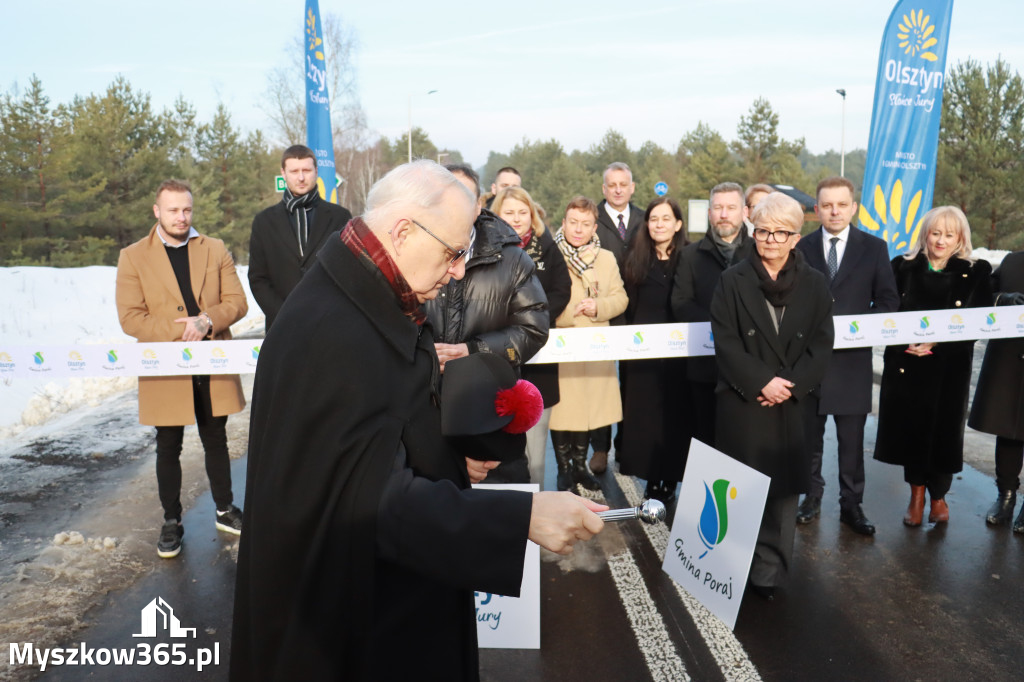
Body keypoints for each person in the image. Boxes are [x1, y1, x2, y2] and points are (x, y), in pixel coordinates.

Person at [231, 161, 605, 681]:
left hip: (387, 604)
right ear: (403, 232)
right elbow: (367, 503)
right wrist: (521, 517)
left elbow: (375, 438)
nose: (458, 271)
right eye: (453, 253)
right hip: (353, 636)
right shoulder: (333, 329)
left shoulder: (371, 298)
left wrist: (446, 458)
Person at [115, 179, 249, 559]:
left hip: (211, 356)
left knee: (216, 437)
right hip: (165, 364)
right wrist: (182, 331)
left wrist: (207, 321)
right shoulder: (133, 256)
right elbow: (130, 318)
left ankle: (225, 509)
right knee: (168, 443)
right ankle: (171, 521)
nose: (181, 217)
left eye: (187, 209)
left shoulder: (215, 248)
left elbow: (237, 302)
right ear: (157, 211)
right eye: (173, 210)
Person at [711, 192, 833, 599]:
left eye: (781, 233)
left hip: (792, 403)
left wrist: (789, 386)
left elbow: (821, 345)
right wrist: (762, 381)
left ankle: (769, 574)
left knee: (782, 495)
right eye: (763, 231)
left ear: (796, 238)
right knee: (738, 491)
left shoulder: (815, 284)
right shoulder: (732, 280)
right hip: (745, 399)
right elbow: (726, 341)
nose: (771, 240)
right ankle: (730, 567)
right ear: (753, 231)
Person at [423, 164, 549, 483]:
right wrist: (424, 353)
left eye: (464, 196)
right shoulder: (414, 254)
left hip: (492, 411)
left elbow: (533, 328)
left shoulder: (513, 259)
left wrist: (473, 351)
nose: (454, 204)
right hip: (424, 408)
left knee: (502, 507)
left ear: (479, 204)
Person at [874, 206, 993, 527]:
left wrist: (937, 342)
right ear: (925, 234)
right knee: (910, 432)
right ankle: (916, 497)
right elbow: (886, 311)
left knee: (944, 434)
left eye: (949, 235)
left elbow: (980, 321)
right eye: (935, 233)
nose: (941, 240)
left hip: (949, 367)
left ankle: (938, 496)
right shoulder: (902, 266)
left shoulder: (976, 271)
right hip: (906, 364)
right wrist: (906, 340)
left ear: (960, 238)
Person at [794, 177, 899, 536]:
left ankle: (851, 505)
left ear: (853, 208)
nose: (835, 211)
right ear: (817, 209)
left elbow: (888, 300)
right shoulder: (802, 247)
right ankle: (810, 496)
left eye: (842, 205)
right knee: (810, 439)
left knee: (852, 442)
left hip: (853, 363)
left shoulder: (874, 248)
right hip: (809, 362)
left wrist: (858, 328)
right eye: (827, 205)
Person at [491, 185, 572, 487]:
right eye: (509, 212)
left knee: (535, 453)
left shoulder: (546, 246)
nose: (516, 218)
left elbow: (562, 289)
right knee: (500, 449)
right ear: (497, 215)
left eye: (522, 212)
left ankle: (536, 503)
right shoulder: (487, 248)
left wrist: (534, 320)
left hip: (540, 357)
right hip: (499, 355)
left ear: (532, 214)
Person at [548, 196, 628, 492]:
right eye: (573, 222)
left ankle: (580, 467)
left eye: (585, 224)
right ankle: (563, 469)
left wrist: (598, 307)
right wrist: (570, 312)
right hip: (562, 343)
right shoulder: (550, 255)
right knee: (562, 410)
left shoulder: (606, 258)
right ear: (564, 223)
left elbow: (620, 298)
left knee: (588, 409)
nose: (578, 229)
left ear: (594, 227)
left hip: (595, 345)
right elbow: (542, 299)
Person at [672, 182, 755, 452]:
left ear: (744, 212)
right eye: (718, 208)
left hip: (750, 366)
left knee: (746, 443)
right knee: (706, 442)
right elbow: (681, 302)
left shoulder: (759, 252)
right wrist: (720, 326)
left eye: (731, 207)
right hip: (705, 369)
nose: (724, 214)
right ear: (709, 213)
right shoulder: (690, 255)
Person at [618, 197, 690, 505]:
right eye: (653, 219)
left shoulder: (690, 257)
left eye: (665, 218)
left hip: (679, 352)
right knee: (644, 417)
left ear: (678, 224)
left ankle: (670, 478)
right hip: (642, 353)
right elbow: (628, 305)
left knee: (675, 415)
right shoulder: (634, 258)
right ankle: (650, 477)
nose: (659, 224)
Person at [248, 144, 353, 332]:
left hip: (331, 325)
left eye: (306, 170)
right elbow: (258, 278)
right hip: (282, 327)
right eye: (294, 171)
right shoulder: (264, 222)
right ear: (283, 173)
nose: (301, 177)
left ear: (316, 171)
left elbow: (349, 272)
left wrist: (329, 313)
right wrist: (285, 316)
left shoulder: (340, 217)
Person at [968, 251, 1024, 531]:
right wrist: (1004, 299)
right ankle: (1006, 496)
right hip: (1010, 360)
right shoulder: (1013, 262)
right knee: (1009, 430)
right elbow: (981, 297)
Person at [592, 161, 643, 469]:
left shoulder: (644, 219)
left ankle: (626, 445)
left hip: (637, 316)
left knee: (632, 386)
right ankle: (600, 449)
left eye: (623, 184)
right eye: (612, 185)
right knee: (601, 383)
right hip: (601, 315)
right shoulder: (592, 219)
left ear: (632, 187)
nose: (618, 190)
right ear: (604, 188)